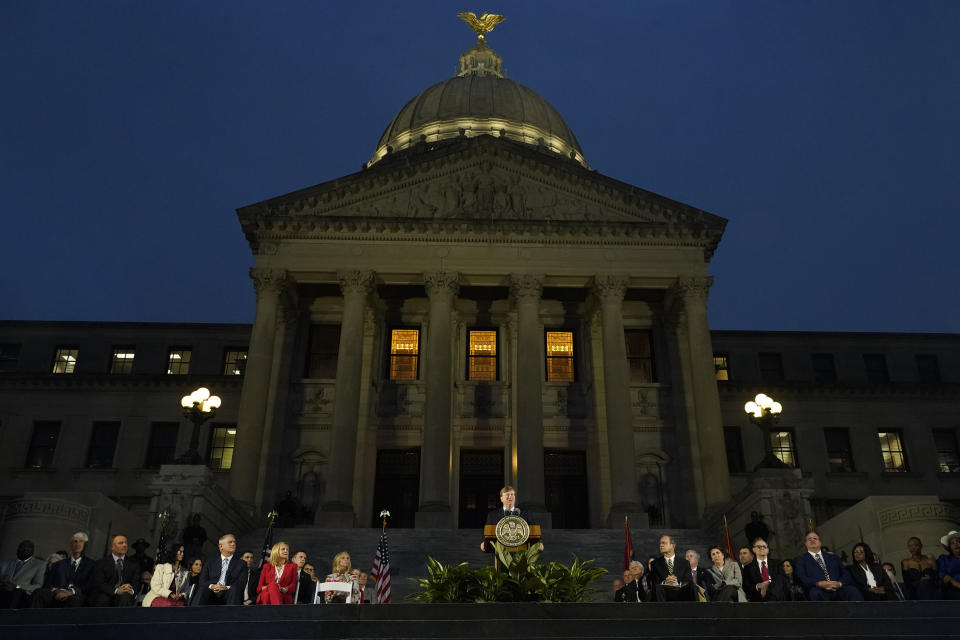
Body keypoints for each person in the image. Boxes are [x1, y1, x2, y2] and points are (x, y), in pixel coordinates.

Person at [793, 530, 862, 601]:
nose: (812, 540)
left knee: (852, 591)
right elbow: (801, 577)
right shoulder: (801, 560)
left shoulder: (833, 557)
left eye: (815, 538)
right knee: (815, 593)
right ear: (806, 544)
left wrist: (839, 583)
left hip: (838, 588)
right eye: (809, 539)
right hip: (818, 589)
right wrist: (818, 584)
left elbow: (845, 573)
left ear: (820, 543)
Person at [32, 532, 95, 608]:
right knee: (38, 593)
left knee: (75, 599)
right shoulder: (58, 564)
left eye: (81, 541)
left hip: (76, 595)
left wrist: (71, 592)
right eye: (75, 541)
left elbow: (89, 585)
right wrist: (56, 590)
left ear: (85, 545)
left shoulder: (92, 565)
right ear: (71, 545)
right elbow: (48, 583)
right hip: (57, 593)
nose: (77, 544)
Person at [480, 486, 540, 552]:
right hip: (500, 553)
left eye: (512, 494)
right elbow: (487, 533)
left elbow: (534, 532)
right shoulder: (492, 515)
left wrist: (538, 543)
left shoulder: (526, 514)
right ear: (501, 498)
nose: (510, 496)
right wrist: (485, 543)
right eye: (507, 494)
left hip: (522, 552)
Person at [87, 535, 141, 607]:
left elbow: (137, 583)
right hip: (107, 593)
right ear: (112, 547)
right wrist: (116, 591)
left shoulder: (134, 564)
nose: (124, 545)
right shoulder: (101, 563)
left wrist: (130, 589)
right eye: (120, 543)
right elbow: (98, 583)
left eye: (125, 543)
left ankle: (121, 618)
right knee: (102, 598)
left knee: (125, 596)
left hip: (125, 595)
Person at [194, 533, 246, 606]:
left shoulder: (241, 563)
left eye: (234, 542)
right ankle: (194, 615)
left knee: (234, 590)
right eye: (230, 542)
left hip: (229, 592)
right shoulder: (210, 562)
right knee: (202, 589)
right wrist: (212, 586)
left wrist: (225, 587)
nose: (233, 544)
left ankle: (232, 617)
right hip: (211, 591)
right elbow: (202, 581)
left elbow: (241, 584)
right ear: (221, 546)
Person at [0, 539, 45, 609]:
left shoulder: (39, 564)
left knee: (16, 593)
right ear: (18, 549)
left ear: (33, 551)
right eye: (22, 547)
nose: (25, 549)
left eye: (28, 547)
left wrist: (17, 586)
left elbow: (38, 585)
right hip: (3, 590)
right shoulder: (6, 563)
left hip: (22, 594)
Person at [649, 535, 695, 602]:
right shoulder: (655, 563)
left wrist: (678, 583)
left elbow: (688, 580)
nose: (661, 545)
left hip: (681, 593)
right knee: (658, 588)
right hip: (663, 594)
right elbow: (654, 582)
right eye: (660, 543)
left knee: (692, 586)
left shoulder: (685, 563)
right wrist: (665, 582)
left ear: (673, 545)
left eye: (664, 543)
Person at [743, 537, 787, 602]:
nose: (762, 548)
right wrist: (758, 586)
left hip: (777, 598)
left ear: (768, 550)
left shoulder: (778, 564)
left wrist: (766, 590)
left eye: (764, 546)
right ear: (753, 550)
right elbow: (746, 586)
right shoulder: (748, 568)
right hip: (759, 599)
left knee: (779, 579)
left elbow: (782, 582)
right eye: (759, 546)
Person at [938, 530, 960, 600]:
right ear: (949, 547)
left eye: (958, 542)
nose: (956, 544)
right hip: (952, 588)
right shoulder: (944, 559)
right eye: (952, 543)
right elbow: (942, 574)